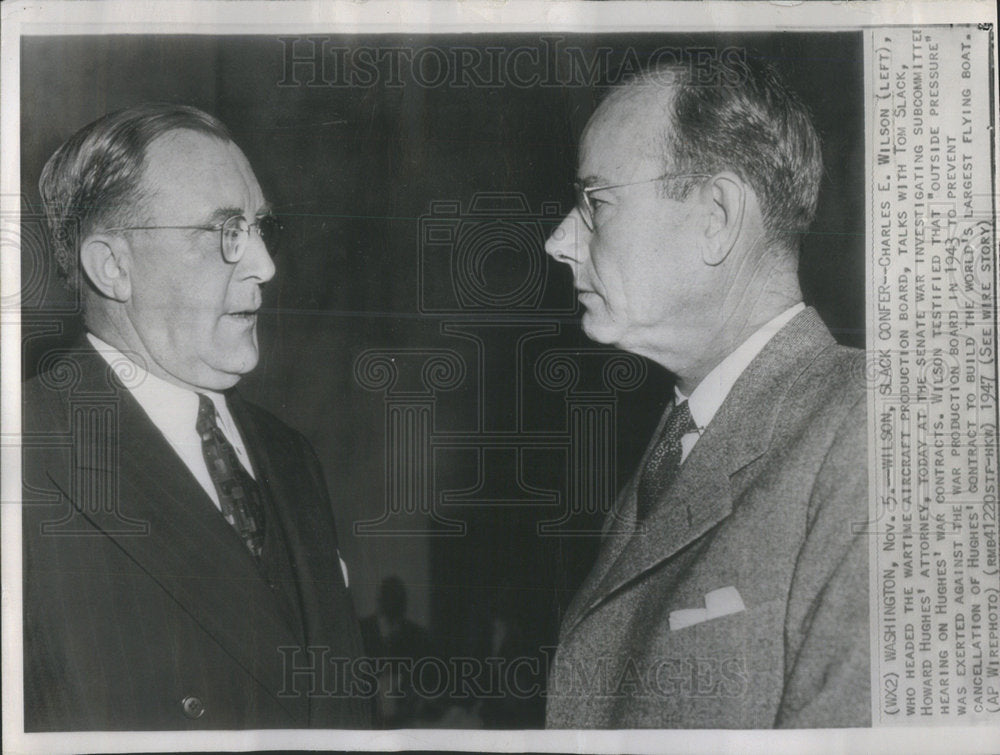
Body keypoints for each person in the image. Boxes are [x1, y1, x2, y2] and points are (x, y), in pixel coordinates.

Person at [22, 103, 371, 730]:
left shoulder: (289, 455)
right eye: (225, 233)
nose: (265, 265)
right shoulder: (27, 454)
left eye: (261, 228)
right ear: (113, 266)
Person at [543, 58, 869, 728]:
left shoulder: (872, 429)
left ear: (716, 217)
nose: (559, 241)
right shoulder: (670, 453)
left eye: (595, 203)